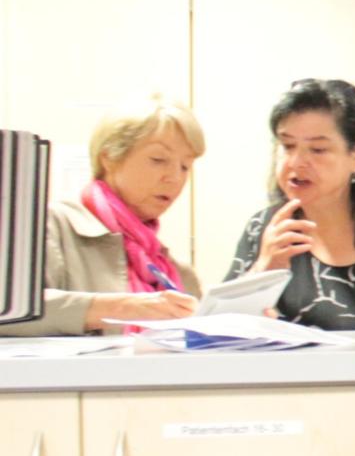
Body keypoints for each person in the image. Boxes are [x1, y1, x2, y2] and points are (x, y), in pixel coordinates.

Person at [2, 96, 204, 336]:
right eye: (158, 160)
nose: (174, 177)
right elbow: (10, 312)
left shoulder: (177, 272)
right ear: (109, 157)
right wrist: (118, 308)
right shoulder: (49, 227)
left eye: (185, 166)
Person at [226, 79, 355, 330]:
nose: (296, 162)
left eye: (317, 149)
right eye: (287, 146)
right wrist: (263, 269)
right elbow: (217, 332)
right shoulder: (264, 227)